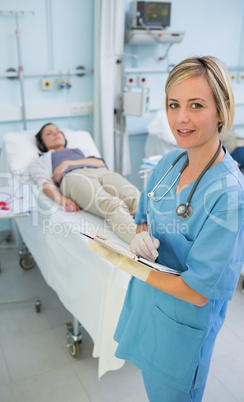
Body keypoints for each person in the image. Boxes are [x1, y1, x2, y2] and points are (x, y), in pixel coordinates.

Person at [95, 57, 244, 401]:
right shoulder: (168, 163)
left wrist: (127, 264)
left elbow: (197, 290)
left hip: (181, 330)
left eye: (196, 105)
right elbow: (144, 212)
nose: (181, 118)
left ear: (222, 110)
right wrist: (140, 234)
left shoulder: (229, 195)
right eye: (173, 105)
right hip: (148, 308)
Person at [29, 123, 140, 243]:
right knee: (112, 205)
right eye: (49, 133)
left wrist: (67, 163)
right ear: (42, 143)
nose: (56, 133)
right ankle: (144, 247)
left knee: (136, 198)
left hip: (101, 171)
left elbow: (100, 163)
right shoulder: (42, 160)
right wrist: (61, 199)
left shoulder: (81, 150)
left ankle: (160, 238)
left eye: (58, 130)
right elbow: (45, 184)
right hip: (72, 177)